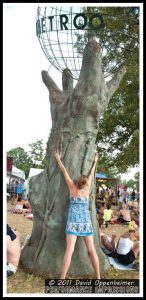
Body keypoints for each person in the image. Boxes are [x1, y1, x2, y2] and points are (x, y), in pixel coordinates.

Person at [54, 150, 101, 279]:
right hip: (85, 222)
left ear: (77, 181)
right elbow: (91, 173)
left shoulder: (71, 186)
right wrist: (95, 161)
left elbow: (64, 171)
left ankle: (62, 279)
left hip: (73, 222)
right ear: (85, 183)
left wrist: (58, 159)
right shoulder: (87, 188)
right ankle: (98, 278)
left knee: (69, 251)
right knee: (92, 250)